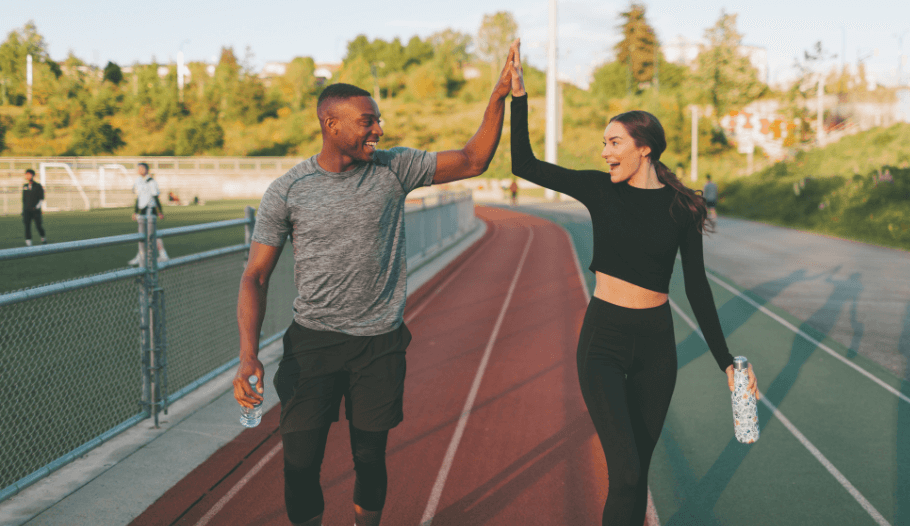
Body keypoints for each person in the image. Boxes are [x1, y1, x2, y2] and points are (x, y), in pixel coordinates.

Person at [232, 40, 520, 526]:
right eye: (368, 121)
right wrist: (247, 353)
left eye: (377, 119)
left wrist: (497, 97)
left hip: (379, 345)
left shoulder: (394, 168)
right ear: (332, 124)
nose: (378, 129)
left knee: (370, 459)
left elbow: (473, 160)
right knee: (300, 465)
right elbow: (255, 276)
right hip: (313, 344)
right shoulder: (288, 191)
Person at [508, 43, 758, 526]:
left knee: (635, 474)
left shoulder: (683, 207)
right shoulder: (600, 189)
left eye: (614, 143)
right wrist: (519, 98)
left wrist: (726, 362)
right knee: (624, 471)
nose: (605, 153)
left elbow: (698, 288)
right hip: (604, 339)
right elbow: (525, 164)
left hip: (657, 347)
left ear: (644, 147)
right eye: (604, 143)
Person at [130, 162, 170, 265]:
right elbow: (139, 198)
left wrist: (160, 212)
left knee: (152, 233)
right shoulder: (139, 181)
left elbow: (155, 197)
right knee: (142, 234)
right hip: (142, 210)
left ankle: (162, 254)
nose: (140, 170)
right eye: (139, 168)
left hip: (150, 209)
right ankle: (141, 256)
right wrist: (135, 212)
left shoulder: (152, 182)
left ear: (147, 170)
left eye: (142, 168)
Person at [22, 169, 46, 246]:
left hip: (35, 211)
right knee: (27, 226)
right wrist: (23, 210)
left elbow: (41, 198)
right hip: (27, 211)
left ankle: (43, 238)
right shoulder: (25, 186)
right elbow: (24, 199)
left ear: (33, 175)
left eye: (29, 174)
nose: (28, 176)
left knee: (38, 225)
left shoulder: (38, 186)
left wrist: (36, 207)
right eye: (26, 174)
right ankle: (28, 242)